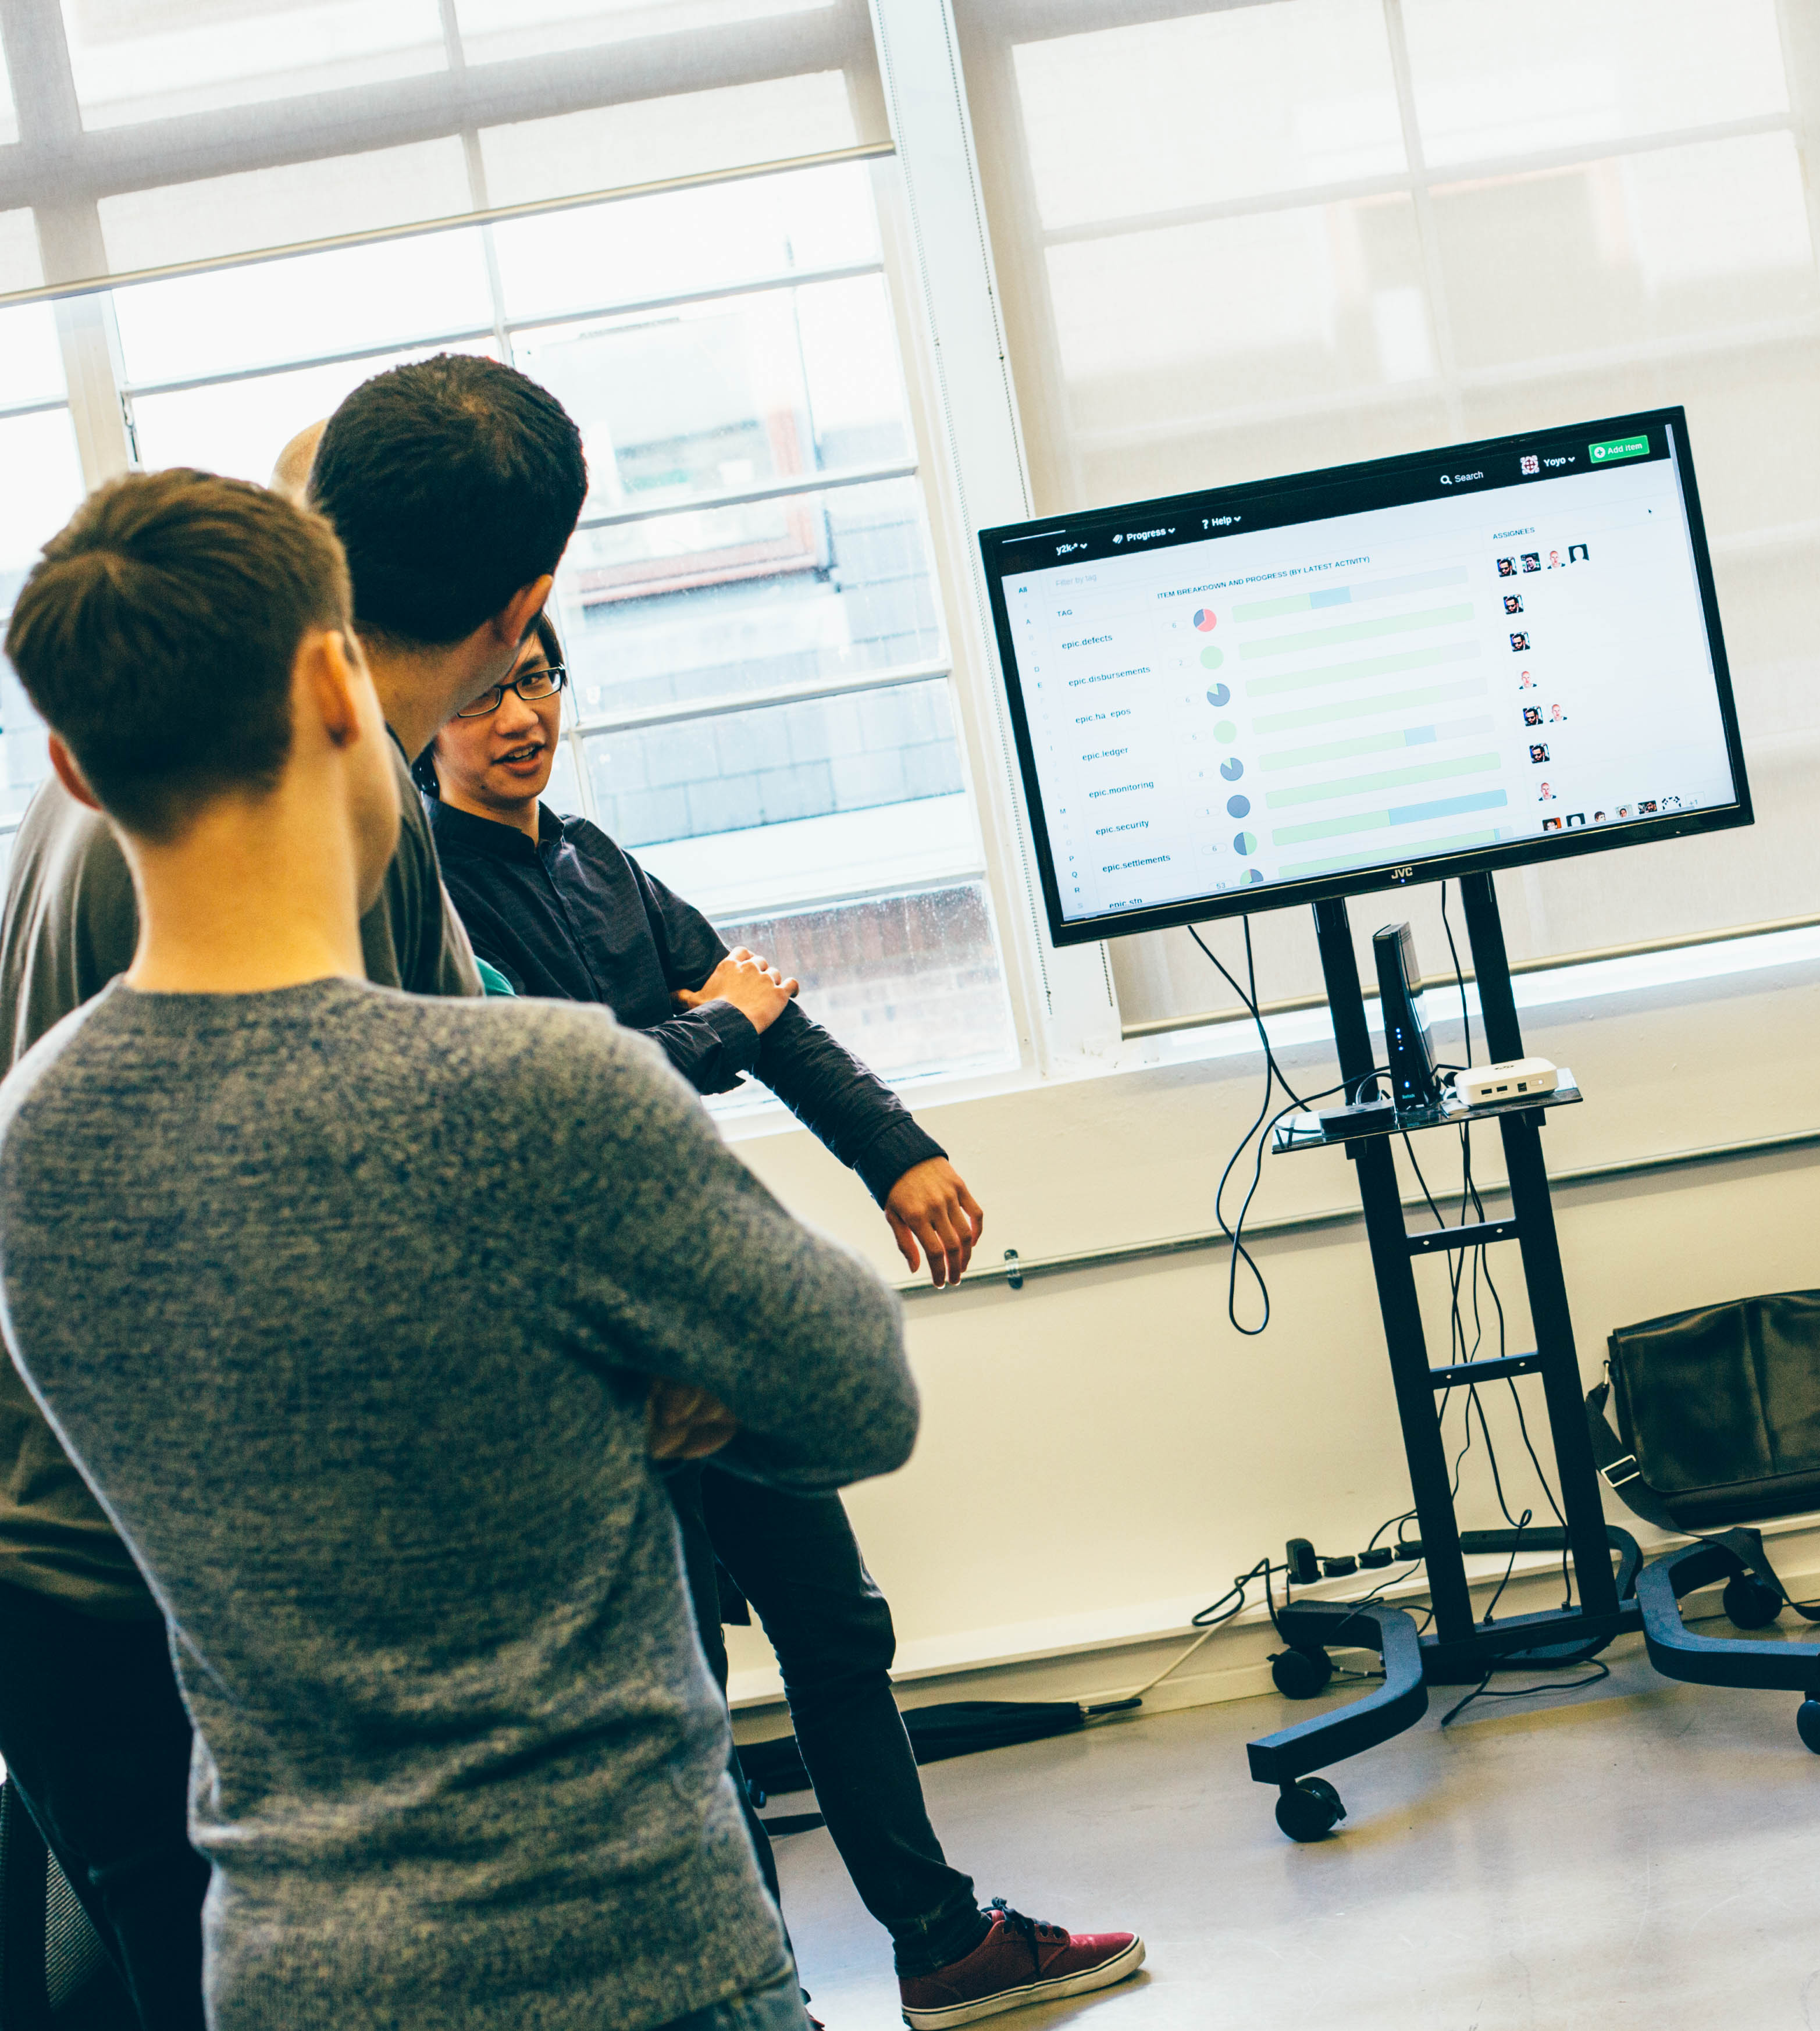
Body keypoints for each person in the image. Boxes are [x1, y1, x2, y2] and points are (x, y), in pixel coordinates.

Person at [0, 468, 920, 2031]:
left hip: (297, 1971)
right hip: (634, 1953)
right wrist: (626, 1387)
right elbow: (853, 1397)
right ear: (334, 684)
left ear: (74, 766)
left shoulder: (37, 1143)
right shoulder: (544, 1093)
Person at [425, 617, 1143, 2025]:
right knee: (682, 1689)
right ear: (421, 720)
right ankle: (757, 2000)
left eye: (538, 680)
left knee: (836, 1627)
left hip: (706, 1315)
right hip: (593, 1365)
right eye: (483, 694)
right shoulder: (431, 906)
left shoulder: (593, 860)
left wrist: (898, 1151)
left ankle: (940, 1943)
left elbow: (769, 1014)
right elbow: (598, 1082)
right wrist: (728, 1028)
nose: (520, 715)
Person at [0, 357, 579, 2029]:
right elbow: (378, 1207)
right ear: (524, 605)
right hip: (150, 1569)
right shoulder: (310, 804)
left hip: (79, 1550)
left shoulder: (157, 762)